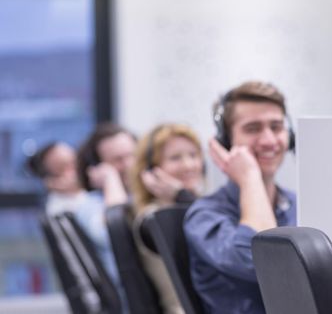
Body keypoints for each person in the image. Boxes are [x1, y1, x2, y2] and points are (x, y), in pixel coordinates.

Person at [184, 81, 297, 314]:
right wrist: (249, 178)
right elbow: (265, 264)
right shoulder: (204, 216)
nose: (268, 140)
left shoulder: (297, 202)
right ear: (227, 141)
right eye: (253, 129)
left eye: (276, 127)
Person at [27, 141, 123, 290]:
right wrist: (110, 178)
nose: (79, 168)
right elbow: (112, 232)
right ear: (53, 181)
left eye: (76, 160)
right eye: (67, 166)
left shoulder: (76, 200)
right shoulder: (68, 209)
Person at [132, 123, 206, 314]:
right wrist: (182, 195)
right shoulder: (151, 219)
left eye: (193, 155)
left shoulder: (196, 206)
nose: (189, 165)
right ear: (150, 170)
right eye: (175, 158)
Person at [77, 122, 137, 203]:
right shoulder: (90, 203)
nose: (128, 164)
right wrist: (109, 177)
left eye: (132, 155)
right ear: (97, 165)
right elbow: (117, 214)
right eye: (118, 159)